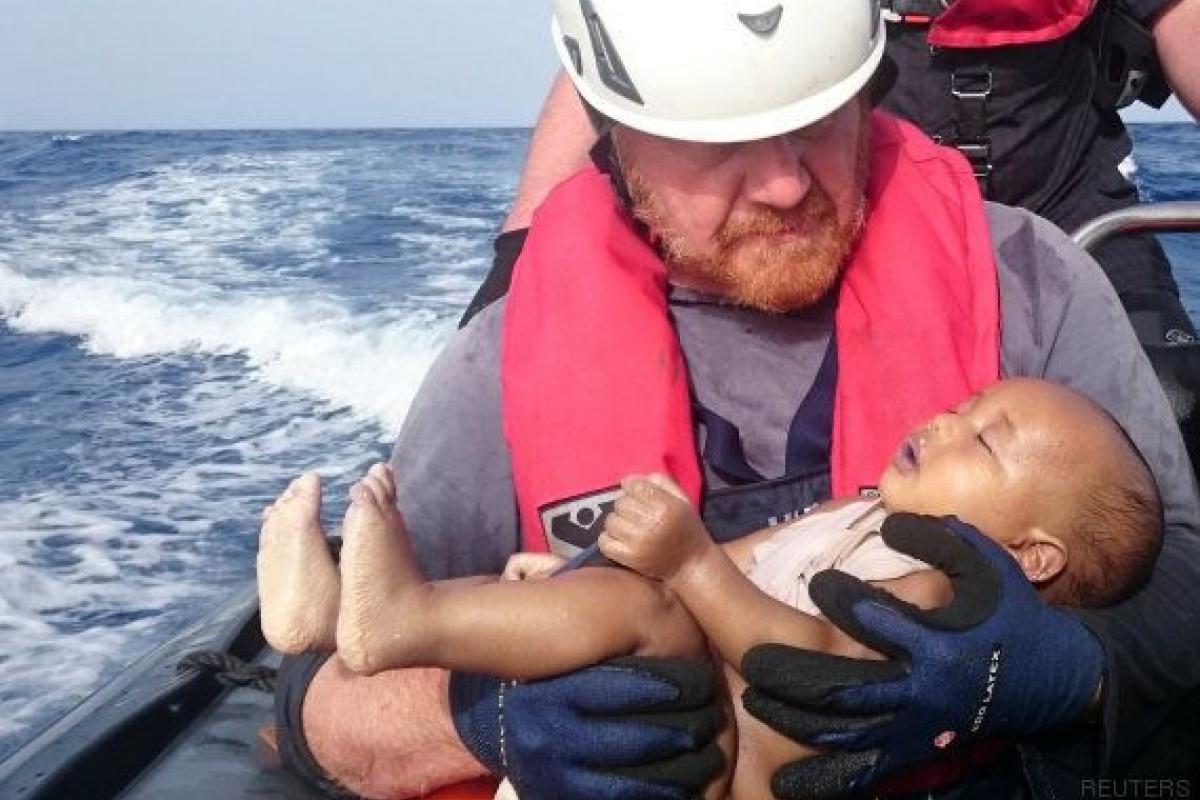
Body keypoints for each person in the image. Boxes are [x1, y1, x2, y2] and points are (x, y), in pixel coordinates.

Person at [270, 2, 1200, 798]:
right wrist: (484, 719)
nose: (786, 183)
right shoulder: (498, 361)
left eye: (821, 123)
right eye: (720, 145)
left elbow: (1179, 587)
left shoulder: (1032, 281)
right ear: (614, 135)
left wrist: (1046, 670)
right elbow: (321, 699)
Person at [259, 378, 1164, 799]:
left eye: (985, 441)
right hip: (623, 731)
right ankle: (340, 617)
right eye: (964, 407)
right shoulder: (860, 514)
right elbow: (741, 556)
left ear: (1032, 558)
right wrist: (577, 576)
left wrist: (686, 566)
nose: (943, 421)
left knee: (640, 610)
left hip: (710, 769)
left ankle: (401, 618)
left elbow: (818, 671)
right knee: (607, 592)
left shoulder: (942, 601)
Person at [473, 0, 1200, 344]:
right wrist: (519, 251)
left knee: (1169, 403)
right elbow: (630, 52)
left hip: (1073, 217)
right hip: (853, 223)